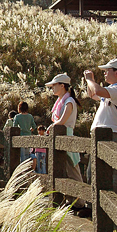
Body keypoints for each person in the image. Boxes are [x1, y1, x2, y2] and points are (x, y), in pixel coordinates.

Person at [84, 59, 117, 199]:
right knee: (93, 172)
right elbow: (92, 94)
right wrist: (88, 82)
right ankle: (94, 206)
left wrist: (90, 79)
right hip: (102, 135)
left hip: (114, 134)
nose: (104, 73)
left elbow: (97, 90)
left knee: (115, 174)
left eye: (106, 71)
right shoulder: (112, 90)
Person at [46, 73, 87, 211]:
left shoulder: (69, 102)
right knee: (65, 169)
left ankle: (79, 200)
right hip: (61, 136)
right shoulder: (63, 101)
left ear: (62, 85)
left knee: (72, 169)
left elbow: (62, 121)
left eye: (54, 85)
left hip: (66, 136)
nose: (52, 88)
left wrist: (52, 126)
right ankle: (72, 199)